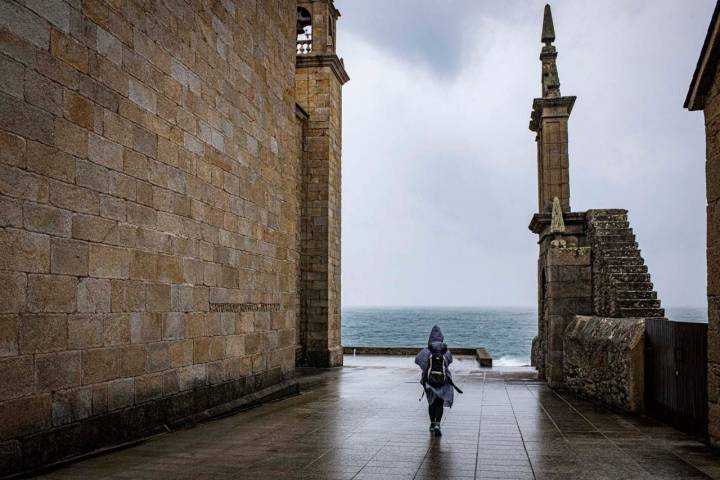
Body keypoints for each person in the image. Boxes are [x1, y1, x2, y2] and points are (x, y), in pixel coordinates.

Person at [415, 325, 455, 437]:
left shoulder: (425, 351)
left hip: (429, 382)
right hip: (444, 382)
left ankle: (432, 424)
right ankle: (438, 424)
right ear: (441, 338)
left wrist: (426, 368)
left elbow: (417, 360)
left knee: (431, 402)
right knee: (439, 403)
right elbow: (450, 361)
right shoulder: (446, 351)